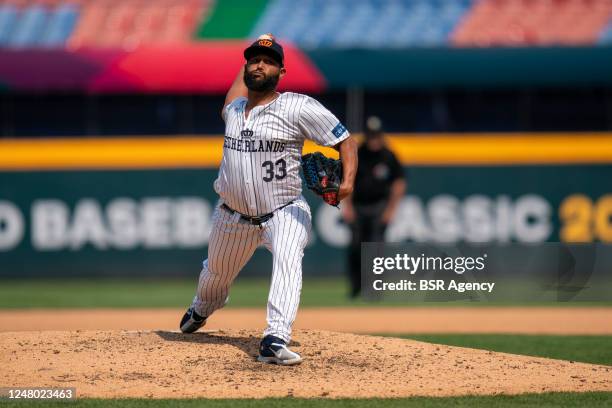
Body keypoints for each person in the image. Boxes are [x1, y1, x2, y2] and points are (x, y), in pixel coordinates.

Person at [179, 34, 358, 365]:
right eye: (255, 60)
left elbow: (345, 141)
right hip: (232, 217)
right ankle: (203, 308)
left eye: (269, 61)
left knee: (288, 260)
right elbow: (232, 96)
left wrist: (346, 184)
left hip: (284, 211)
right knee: (214, 277)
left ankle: (275, 338)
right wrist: (256, 52)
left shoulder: (297, 106)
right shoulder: (234, 110)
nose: (260, 65)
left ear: (282, 71)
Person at [342, 116, 406, 298]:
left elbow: (399, 183)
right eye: (371, 136)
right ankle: (355, 288)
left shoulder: (388, 155)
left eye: (376, 136)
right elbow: (349, 179)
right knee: (355, 248)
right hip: (359, 206)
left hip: (379, 206)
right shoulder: (358, 153)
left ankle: (375, 289)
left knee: (376, 250)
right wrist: (348, 207)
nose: (374, 140)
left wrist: (391, 210)